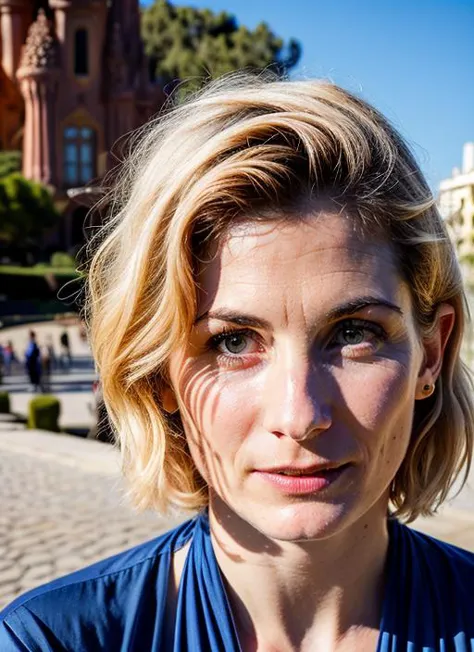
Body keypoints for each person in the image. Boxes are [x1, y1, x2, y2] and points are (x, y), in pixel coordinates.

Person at [0, 73, 473, 651]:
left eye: (353, 332)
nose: (300, 416)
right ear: (159, 372)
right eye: (232, 342)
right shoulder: (48, 641)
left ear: (433, 351)